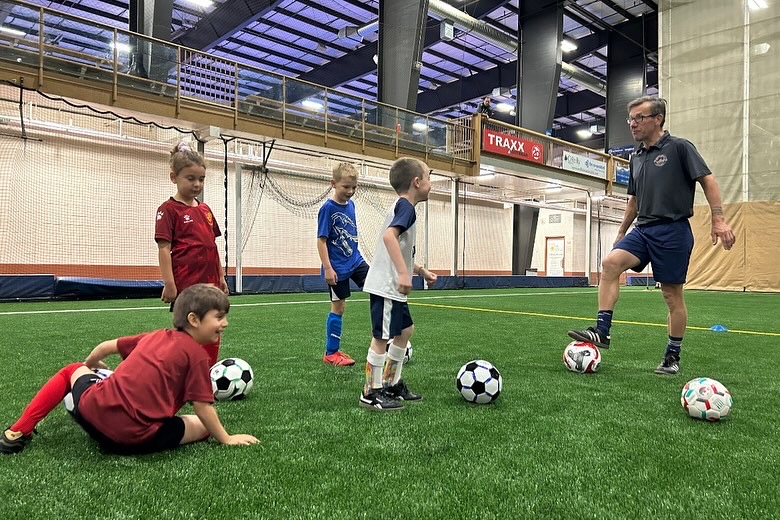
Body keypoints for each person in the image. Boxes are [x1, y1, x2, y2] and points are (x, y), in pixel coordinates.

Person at [567, 96, 735, 375]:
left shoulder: (680, 147)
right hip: (643, 230)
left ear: (658, 119)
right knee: (610, 263)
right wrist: (622, 231)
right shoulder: (636, 157)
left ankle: (672, 355)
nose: (632, 123)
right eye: (630, 119)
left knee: (671, 296)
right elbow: (633, 199)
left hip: (673, 230)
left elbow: (708, 180)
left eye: (639, 118)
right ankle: (602, 330)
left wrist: (718, 219)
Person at [0, 284, 258, 455]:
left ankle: (16, 432)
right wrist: (226, 438)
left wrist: (87, 369)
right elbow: (203, 408)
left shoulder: (155, 336)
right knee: (201, 427)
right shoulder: (198, 357)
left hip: (91, 413)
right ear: (194, 319)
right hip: (131, 440)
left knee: (71, 371)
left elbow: (104, 347)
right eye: (219, 317)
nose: (225, 323)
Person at [359, 157, 437, 411]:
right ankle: (371, 391)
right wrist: (404, 274)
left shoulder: (402, 207)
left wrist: (420, 270)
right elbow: (388, 237)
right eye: (428, 177)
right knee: (381, 337)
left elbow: (399, 250)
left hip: (392, 285)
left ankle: (392, 382)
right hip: (386, 285)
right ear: (417, 182)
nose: (430, 183)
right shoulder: (406, 207)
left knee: (405, 330)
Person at [156, 142, 229, 367]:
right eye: (190, 178)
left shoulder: (205, 210)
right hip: (186, 284)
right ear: (174, 177)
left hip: (210, 283)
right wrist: (169, 283)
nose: (197, 184)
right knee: (187, 330)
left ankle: (207, 371)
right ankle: (181, 371)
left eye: (201, 179)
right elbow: (164, 248)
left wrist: (221, 277)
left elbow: (212, 246)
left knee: (213, 326)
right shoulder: (168, 210)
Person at [316, 162, 370, 366]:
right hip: (337, 268)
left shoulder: (352, 205)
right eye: (345, 187)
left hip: (355, 261)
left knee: (378, 287)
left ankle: (386, 338)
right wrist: (328, 268)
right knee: (338, 307)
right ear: (333, 184)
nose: (350, 191)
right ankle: (331, 353)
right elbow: (321, 240)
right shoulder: (327, 209)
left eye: (354, 187)